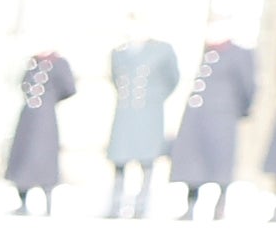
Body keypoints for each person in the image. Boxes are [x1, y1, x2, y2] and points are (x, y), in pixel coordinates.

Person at [104, 16, 176, 219]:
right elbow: (115, 78)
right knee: (119, 159)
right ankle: (115, 204)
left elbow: (172, 79)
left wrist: (154, 98)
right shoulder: (119, 52)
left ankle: (141, 205)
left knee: (147, 159)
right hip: (126, 112)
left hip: (149, 112)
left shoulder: (162, 50)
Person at [178, 33, 255, 219]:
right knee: (194, 164)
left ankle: (219, 207)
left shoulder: (238, 53)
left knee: (221, 165)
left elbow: (248, 85)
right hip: (199, 117)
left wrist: (240, 110)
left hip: (223, 117)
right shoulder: (206, 51)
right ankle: (191, 206)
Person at [4, 44, 77, 217]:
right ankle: (22, 201)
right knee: (23, 157)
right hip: (28, 117)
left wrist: (50, 100)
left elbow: (68, 88)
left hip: (45, 117)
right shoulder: (33, 62)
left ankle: (48, 202)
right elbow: (23, 83)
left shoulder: (59, 63)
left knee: (44, 158)